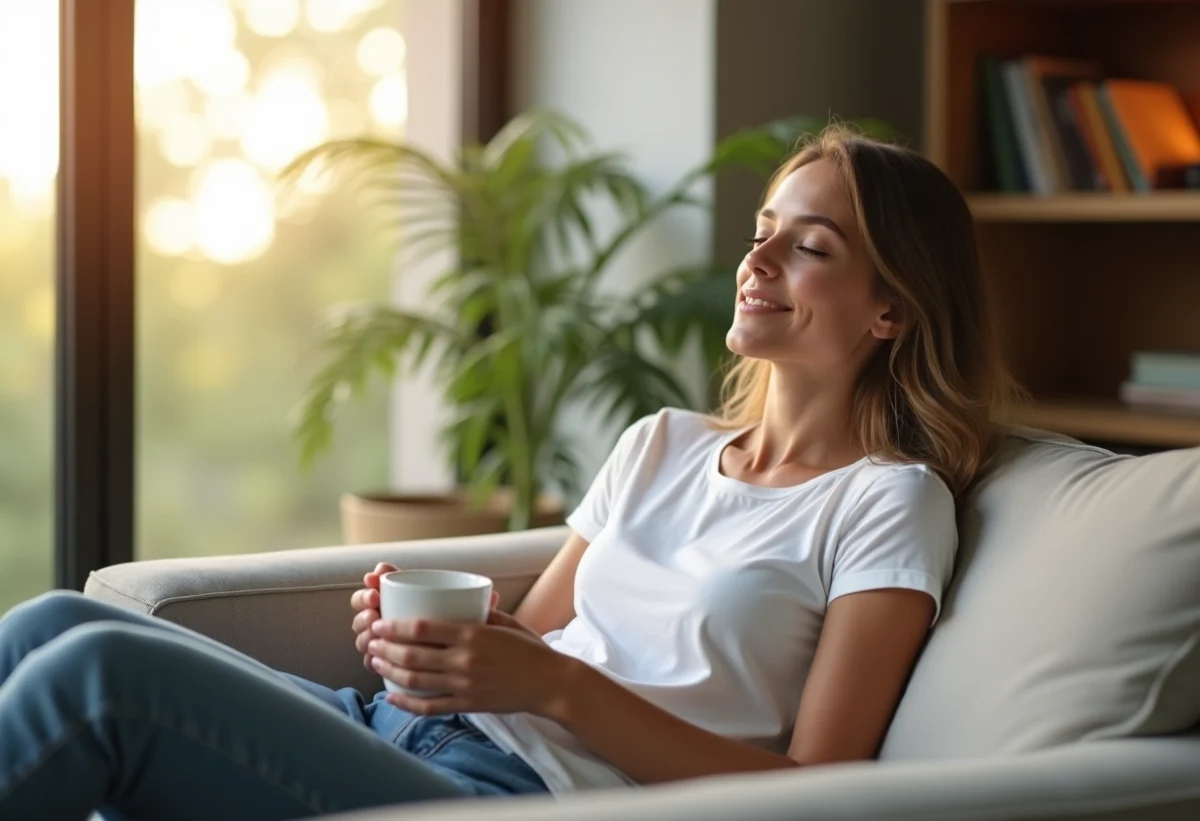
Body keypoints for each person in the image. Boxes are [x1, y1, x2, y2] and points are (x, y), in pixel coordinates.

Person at [0, 125, 1016, 820]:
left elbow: (821, 785)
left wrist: (555, 685)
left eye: (811, 248)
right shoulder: (660, 442)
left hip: (518, 792)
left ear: (892, 308)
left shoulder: (888, 500)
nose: (759, 263)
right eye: (763, 236)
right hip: (403, 724)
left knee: (98, 684)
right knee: (51, 622)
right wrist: (435, 643)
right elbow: (527, 637)